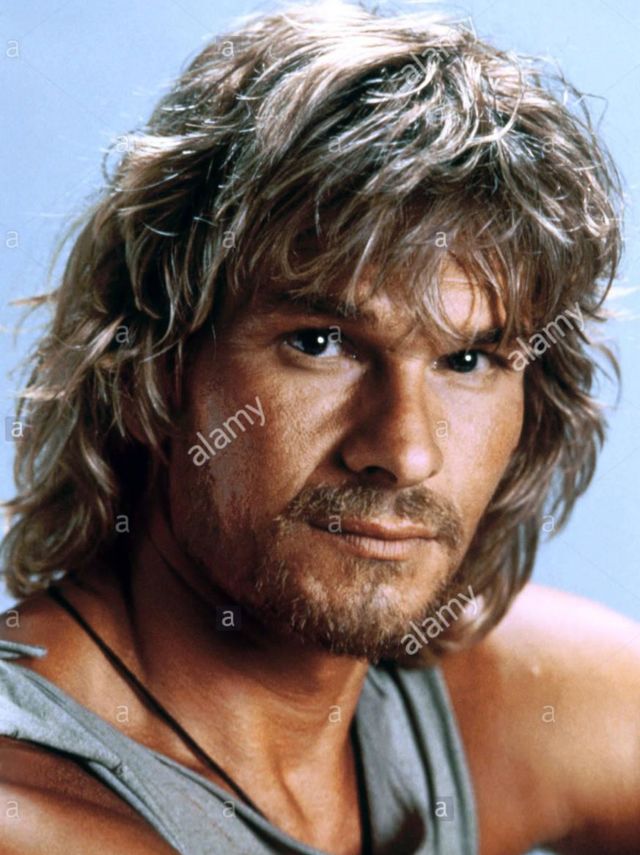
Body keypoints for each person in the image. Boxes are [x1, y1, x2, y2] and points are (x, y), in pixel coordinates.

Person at [0, 3, 638, 853]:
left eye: (467, 360)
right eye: (319, 343)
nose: (404, 450)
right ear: (156, 363)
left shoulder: (492, 695)